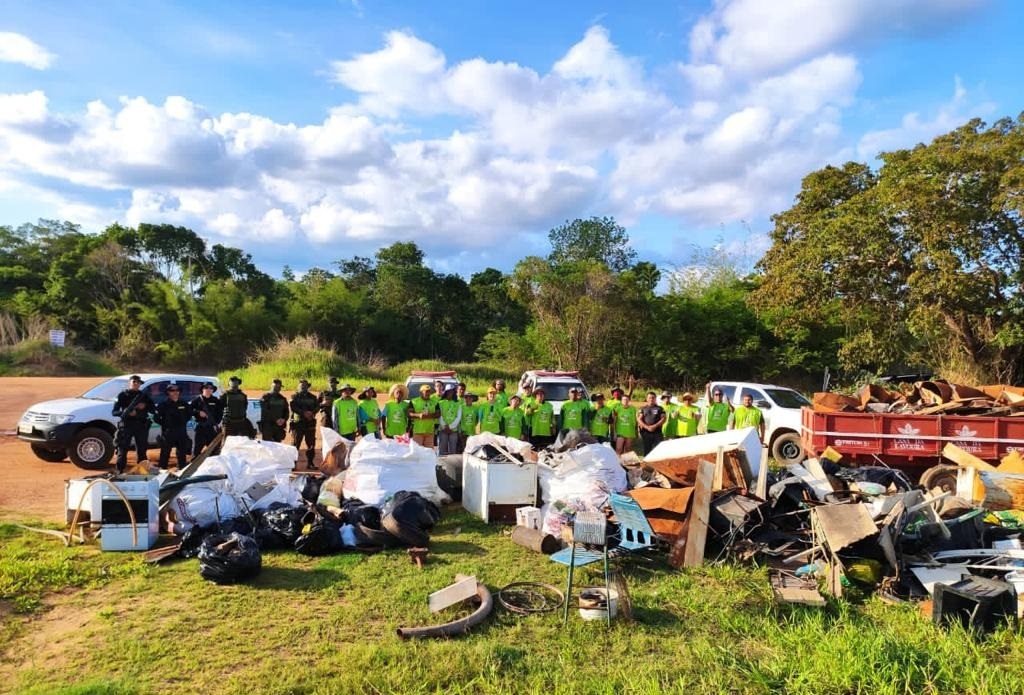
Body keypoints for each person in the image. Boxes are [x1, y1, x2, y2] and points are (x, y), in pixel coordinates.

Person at [112, 375, 155, 473]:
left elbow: (153, 410)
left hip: (141, 426)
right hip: (126, 426)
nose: (136, 384)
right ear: (129, 383)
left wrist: (144, 406)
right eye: (134, 382)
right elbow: (114, 412)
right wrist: (125, 412)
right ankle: (120, 471)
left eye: (138, 382)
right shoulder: (122, 395)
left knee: (142, 451)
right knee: (122, 450)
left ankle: (142, 471)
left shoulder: (144, 396)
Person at [155, 383, 192, 470]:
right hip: (168, 433)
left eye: (177, 390)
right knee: (165, 454)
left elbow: (189, 415)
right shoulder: (163, 405)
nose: (175, 392)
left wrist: (182, 423)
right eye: (172, 390)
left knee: (181, 454)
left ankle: (181, 472)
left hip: (181, 432)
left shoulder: (184, 403)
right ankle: (162, 472)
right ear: (168, 392)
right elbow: (156, 418)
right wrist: (165, 424)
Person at [290, 379, 319, 469]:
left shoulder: (313, 397)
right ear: (298, 386)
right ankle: (293, 464)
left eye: (305, 386)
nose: (303, 387)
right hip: (298, 424)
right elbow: (293, 407)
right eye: (302, 386)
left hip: (310, 424)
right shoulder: (295, 396)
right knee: (295, 444)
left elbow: (317, 406)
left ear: (308, 387)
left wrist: (312, 413)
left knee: (311, 445)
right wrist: (304, 413)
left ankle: (310, 463)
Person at [190, 382, 222, 458]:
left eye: (211, 388)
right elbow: (189, 410)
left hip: (211, 429)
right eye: (206, 387)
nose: (208, 389)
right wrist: (198, 412)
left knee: (214, 450)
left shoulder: (215, 400)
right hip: (201, 429)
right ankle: (194, 468)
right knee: (197, 451)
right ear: (202, 389)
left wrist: (216, 422)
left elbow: (220, 412)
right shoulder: (197, 400)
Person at [637, 391, 667, 456]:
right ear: (647, 398)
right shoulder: (642, 408)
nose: (651, 399)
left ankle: (658, 464)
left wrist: (654, 426)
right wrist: (647, 427)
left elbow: (664, 419)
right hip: (646, 433)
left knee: (659, 449)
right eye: (649, 398)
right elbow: (639, 419)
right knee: (647, 450)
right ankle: (647, 465)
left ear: (655, 399)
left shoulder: (660, 408)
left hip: (657, 432)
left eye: (653, 398)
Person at [437, 386, 463, 455]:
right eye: (448, 391)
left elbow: (458, 417)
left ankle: (452, 465)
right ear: (445, 392)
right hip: (443, 430)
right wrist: (445, 426)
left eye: (451, 391)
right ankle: (441, 465)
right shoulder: (440, 403)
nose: (449, 393)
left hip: (453, 430)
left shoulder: (458, 404)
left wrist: (450, 427)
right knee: (442, 451)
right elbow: (439, 415)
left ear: (453, 392)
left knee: (453, 451)